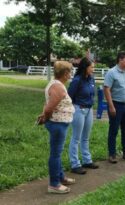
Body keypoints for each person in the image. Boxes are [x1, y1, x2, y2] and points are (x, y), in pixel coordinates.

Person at [37, 61, 75, 194]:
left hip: (59, 123)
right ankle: (54, 184)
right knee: (55, 154)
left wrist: (45, 116)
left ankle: (60, 177)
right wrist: (45, 117)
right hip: (57, 124)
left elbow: (48, 105)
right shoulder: (58, 87)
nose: (71, 74)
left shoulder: (57, 85)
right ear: (65, 73)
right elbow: (49, 108)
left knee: (57, 153)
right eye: (70, 72)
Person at [104, 52, 125, 163]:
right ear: (120, 60)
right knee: (113, 130)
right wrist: (111, 106)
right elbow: (106, 89)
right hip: (116, 105)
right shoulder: (111, 72)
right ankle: (112, 154)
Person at [68, 57, 99, 175]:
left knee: (85, 137)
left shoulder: (91, 79)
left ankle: (87, 160)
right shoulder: (77, 80)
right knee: (76, 138)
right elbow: (69, 96)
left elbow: (91, 95)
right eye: (91, 67)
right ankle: (75, 164)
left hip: (89, 110)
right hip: (78, 109)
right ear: (85, 67)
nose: (93, 69)